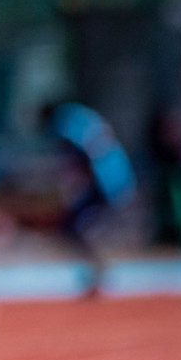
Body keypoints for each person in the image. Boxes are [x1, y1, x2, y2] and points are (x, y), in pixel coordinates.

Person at [40, 100, 135, 295]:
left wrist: (72, 183)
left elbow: (82, 151)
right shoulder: (78, 115)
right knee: (75, 226)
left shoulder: (63, 122)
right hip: (115, 178)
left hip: (105, 182)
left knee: (75, 226)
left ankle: (99, 271)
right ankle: (98, 271)